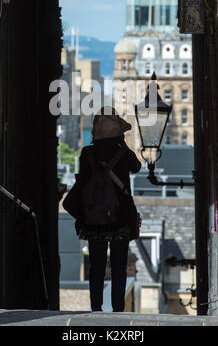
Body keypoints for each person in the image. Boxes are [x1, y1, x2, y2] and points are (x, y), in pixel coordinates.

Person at [75, 107, 141, 312]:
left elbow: (82, 183)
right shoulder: (123, 153)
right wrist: (124, 146)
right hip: (120, 216)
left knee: (96, 266)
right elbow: (137, 167)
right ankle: (118, 308)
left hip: (94, 217)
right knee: (119, 266)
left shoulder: (87, 153)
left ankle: (96, 307)